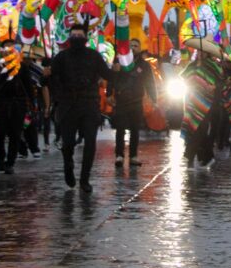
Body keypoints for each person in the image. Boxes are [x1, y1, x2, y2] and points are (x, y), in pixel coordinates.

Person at [51, 23, 112, 191]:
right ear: (69, 38)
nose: (76, 38)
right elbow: (51, 79)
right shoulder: (61, 57)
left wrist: (116, 69)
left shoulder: (94, 56)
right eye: (74, 36)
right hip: (68, 105)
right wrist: (48, 74)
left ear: (85, 38)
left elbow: (108, 75)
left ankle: (85, 179)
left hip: (89, 104)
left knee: (90, 143)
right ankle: (68, 164)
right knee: (68, 143)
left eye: (79, 36)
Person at [108, 38, 157, 167]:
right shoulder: (119, 61)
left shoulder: (144, 65)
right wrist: (109, 94)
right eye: (131, 46)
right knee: (120, 129)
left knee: (135, 129)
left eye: (136, 46)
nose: (133, 48)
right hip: (121, 100)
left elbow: (150, 83)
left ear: (140, 48)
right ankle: (119, 155)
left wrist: (154, 98)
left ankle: (133, 156)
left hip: (136, 101)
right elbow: (111, 78)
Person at [0, 40, 34, 175]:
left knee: (15, 134)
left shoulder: (22, 67)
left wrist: (31, 104)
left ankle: (10, 162)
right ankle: (0, 157)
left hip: (18, 104)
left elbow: (29, 87)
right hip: (1, 103)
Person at [181, 37, 225, 169]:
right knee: (192, 128)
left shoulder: (213, 66)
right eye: (198, 50)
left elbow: (221, 82)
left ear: (207, 53)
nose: (200, 53)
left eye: (202, 51)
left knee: (200, 129)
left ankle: (190, 157)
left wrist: (214, 86)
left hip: (206, 103)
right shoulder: (192, 65)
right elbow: (184, 78)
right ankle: (205, 157)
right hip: (191, 101)